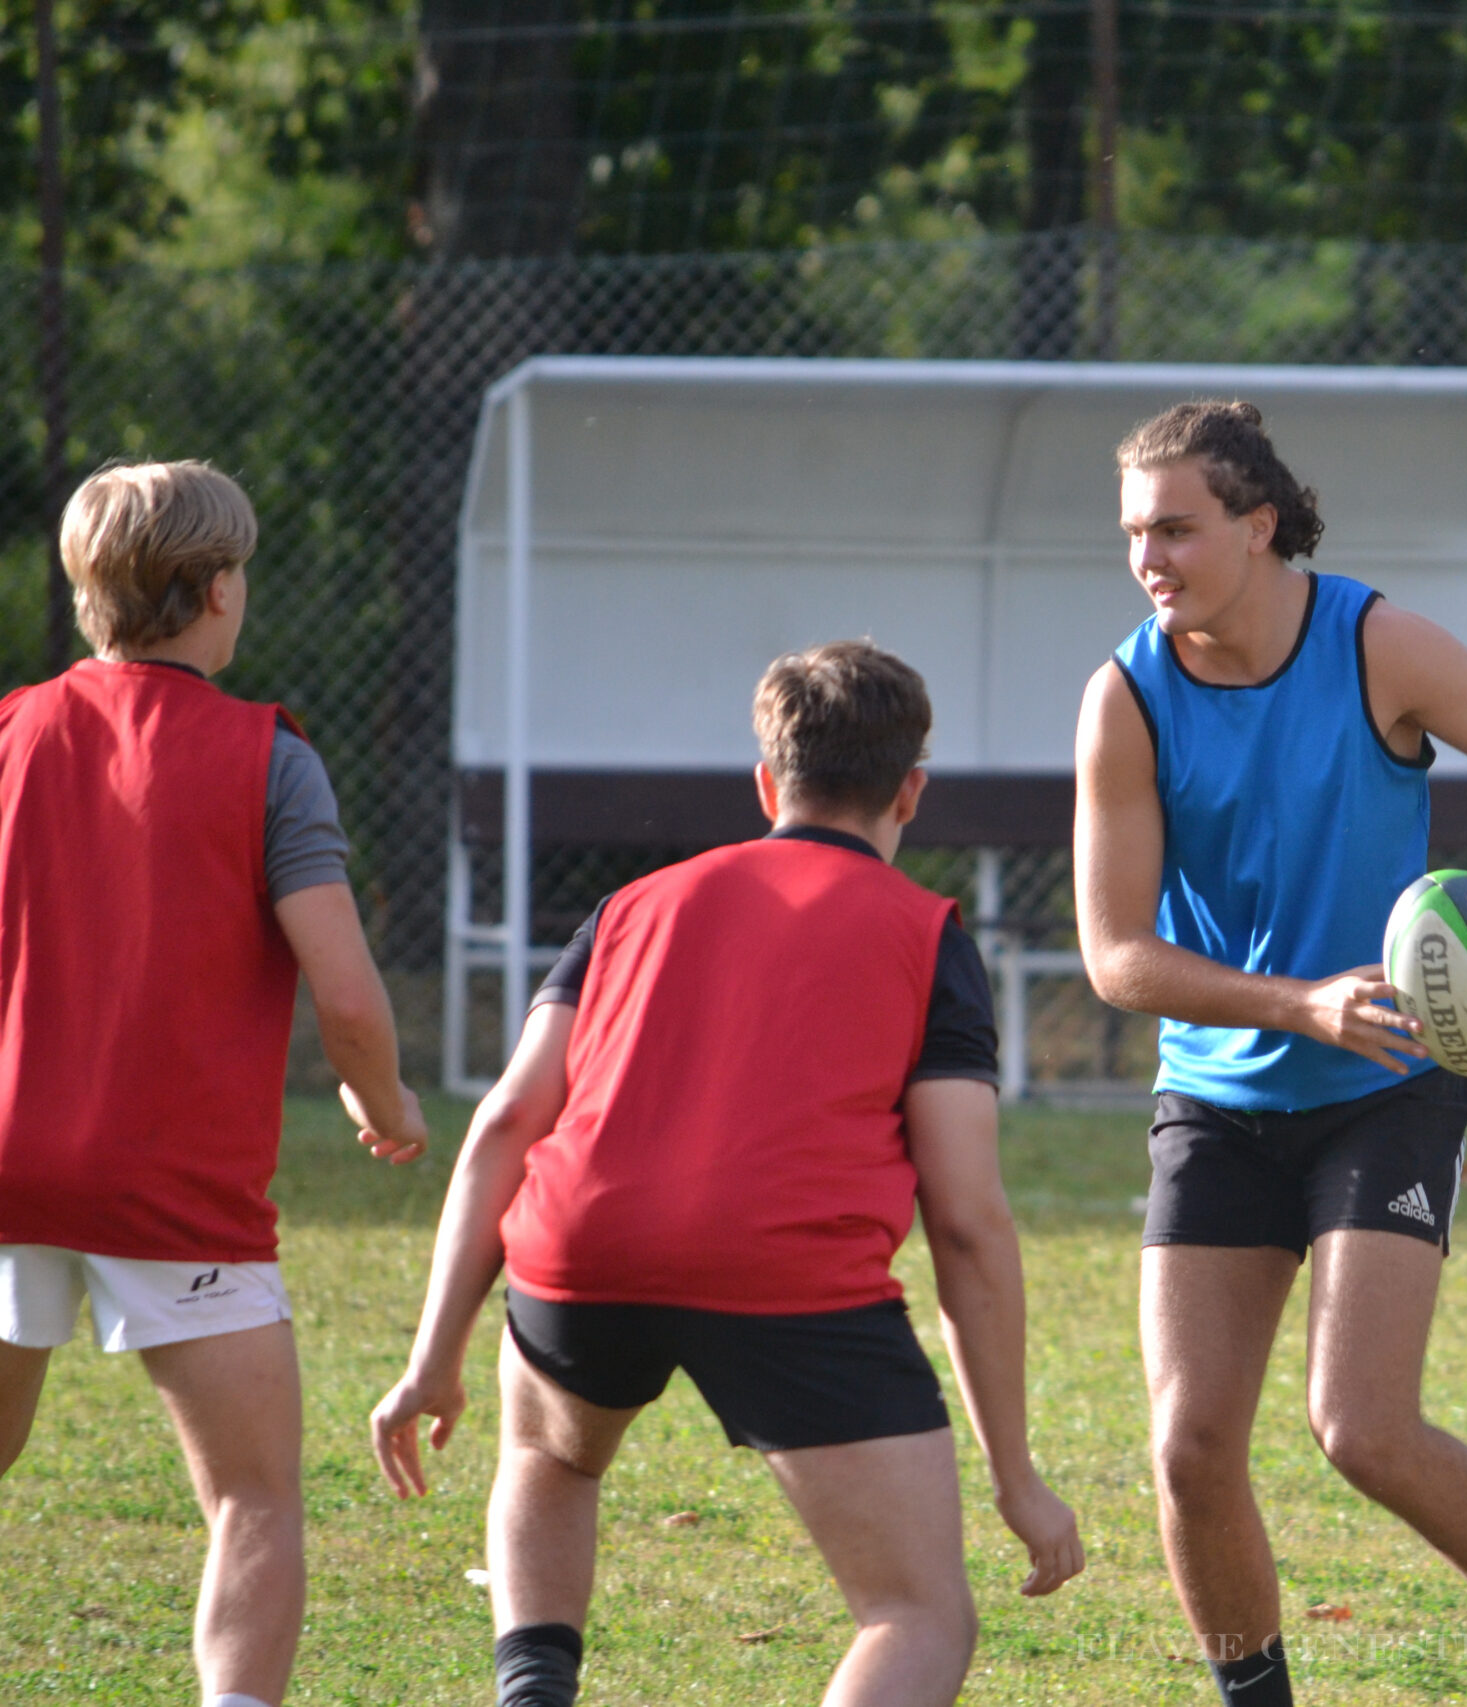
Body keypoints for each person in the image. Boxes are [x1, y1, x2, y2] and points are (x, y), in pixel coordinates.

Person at [369, 639, 1080, 1707]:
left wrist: (433, 1357)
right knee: (919, 1613)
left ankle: (533, 1691)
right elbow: (967, 1215)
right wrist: (1015, 1477)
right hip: (786, 1272)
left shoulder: (631, 907)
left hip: (584, 1245)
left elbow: (510, 1119)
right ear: (910, 791)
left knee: (552, 1459)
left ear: (765, 784)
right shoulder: (926, 935)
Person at [1073, 401, 1467, 1707]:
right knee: (1189, 1444)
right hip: (1217, 1094)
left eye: (1177, 528)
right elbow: (1115, 955)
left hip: (1388, 1082)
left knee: (1361, 1426)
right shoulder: (1127, 698)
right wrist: (1295, 1004)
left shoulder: (1377, 645)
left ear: (1258, 525)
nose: (1150, 558)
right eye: (1134, 533)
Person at [0, 460, 431, 1707]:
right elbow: (348, 1000)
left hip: (9, 1163)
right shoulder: (267, 759)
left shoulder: (12, 732)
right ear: (221, 590)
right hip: (170, 1182)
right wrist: (389, 1106)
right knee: (252, 1496)